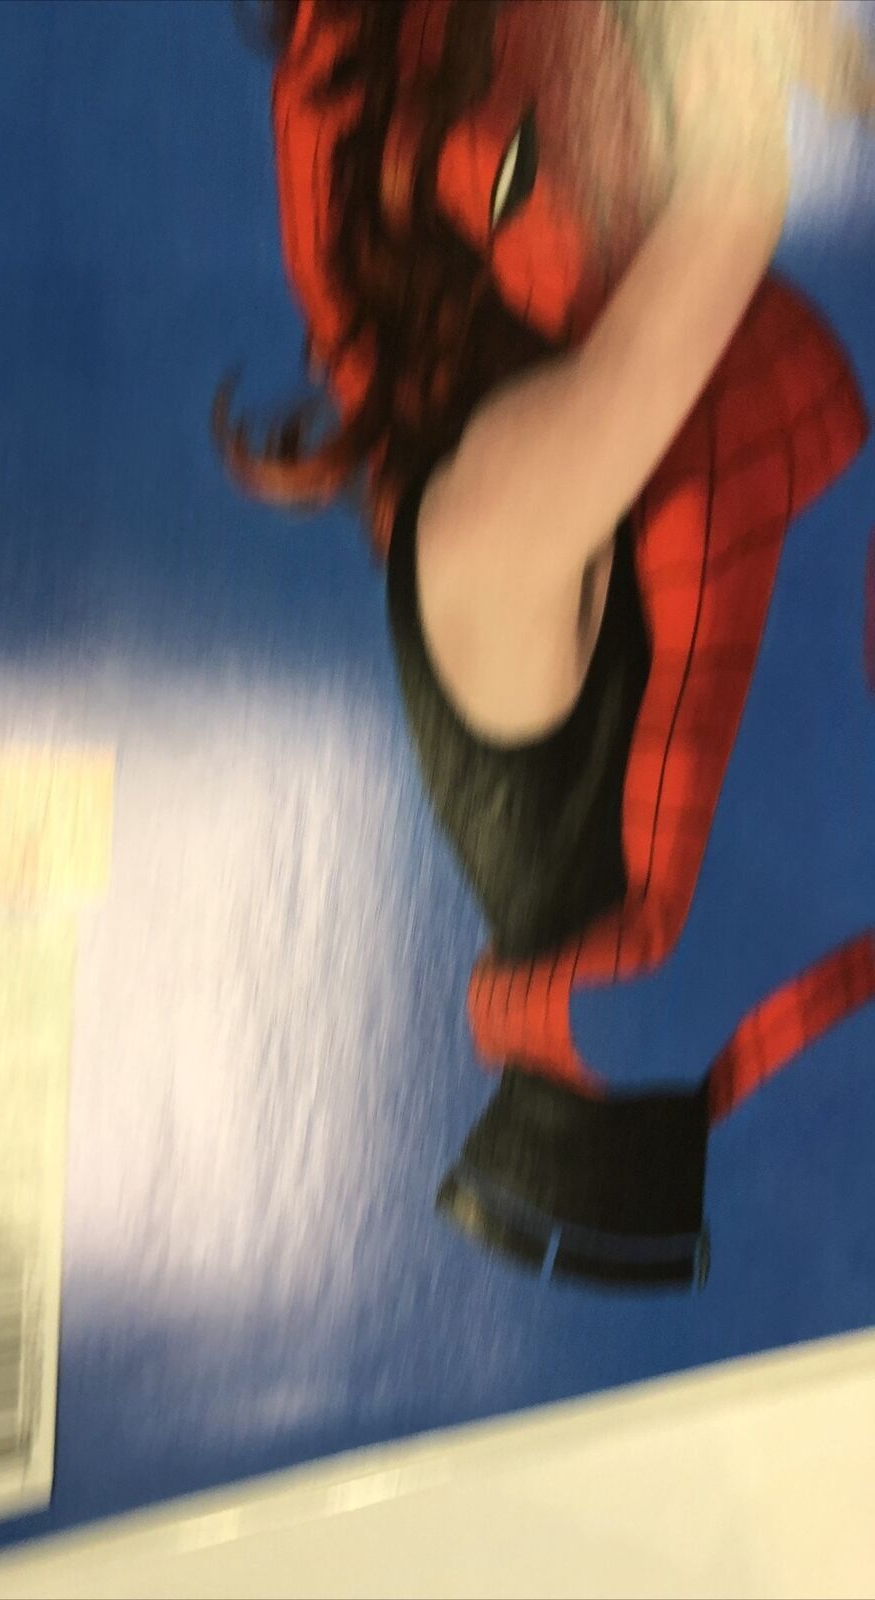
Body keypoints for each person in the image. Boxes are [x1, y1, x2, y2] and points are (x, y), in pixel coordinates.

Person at [217, 0, 873, 1287]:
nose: (624, 147)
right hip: (622, 1155)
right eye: (548, 143)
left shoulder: (623, 438)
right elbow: (732, 205)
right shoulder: (482, 517)